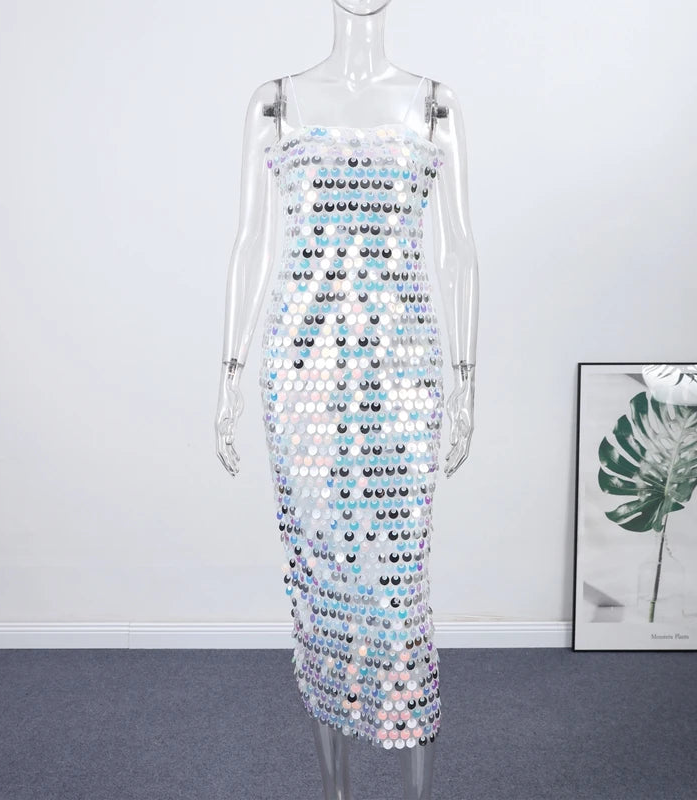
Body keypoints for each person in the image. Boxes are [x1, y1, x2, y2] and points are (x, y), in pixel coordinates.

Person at [216, 2, 479, 798]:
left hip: (404, 371)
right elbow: (252, 244)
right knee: (321, 584)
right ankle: (336, 792)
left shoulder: (433, 104)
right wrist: (230, 376)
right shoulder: (277, 103)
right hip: (302, 376)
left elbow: (458, 248)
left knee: (399, 593)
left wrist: (465, 380)